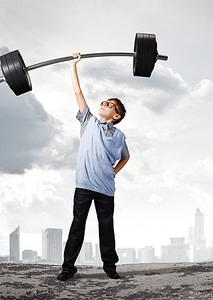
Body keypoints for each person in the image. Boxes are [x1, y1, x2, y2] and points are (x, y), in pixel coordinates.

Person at [57, 53, 130, 281]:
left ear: (116, 115)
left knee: (106, 228)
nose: (103, 104)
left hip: (106, 189)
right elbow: (78, 92)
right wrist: (73, 65)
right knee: (77, 226)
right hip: (85, 185)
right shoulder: (88, 121)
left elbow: (126, 157)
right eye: (103, 102)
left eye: (109, 104)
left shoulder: (119, 135)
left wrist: (113, 172)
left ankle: (110, 267)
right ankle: (68, 268)